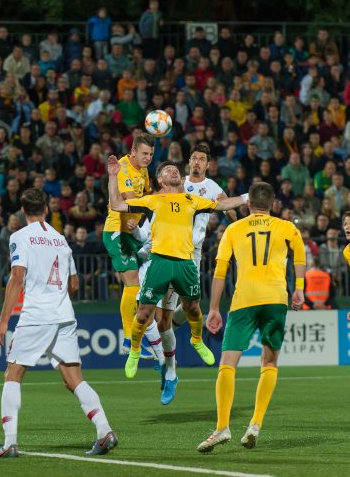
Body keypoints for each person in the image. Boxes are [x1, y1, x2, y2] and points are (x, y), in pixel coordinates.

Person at [0, 188, 117, 458]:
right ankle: (104, 431)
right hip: (65, 315)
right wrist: (58, 301)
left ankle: (10, 443)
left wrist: (2, 321)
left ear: (23, 211)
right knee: (73, 379)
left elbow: (16, 277)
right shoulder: (61, 240)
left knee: (13, 375)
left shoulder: (20, 237)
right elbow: (75, 284)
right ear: (46, 209)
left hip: (36, 315)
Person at [108, 158, 247, 380]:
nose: (173, 171)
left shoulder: (192, 199)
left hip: (185, 262)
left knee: (193, 309)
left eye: (175, 170)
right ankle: (134, 350)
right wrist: (113, 176)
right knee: (143, 313)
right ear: (160, 180)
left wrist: (251, 197)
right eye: (167, 170)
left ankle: (197, 340)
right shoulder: (152, 200)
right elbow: (116, 205)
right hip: (160, 262)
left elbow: (222, 205)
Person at [196, 182, 306, 453]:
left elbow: (220, 271)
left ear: (247, 205)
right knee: (269, 363)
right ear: (273, 204)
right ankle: (255, 423)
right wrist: (299, 289)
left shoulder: (234, 229)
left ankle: (222, 427)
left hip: (244, 300)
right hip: (276, 299)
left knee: (227, 364)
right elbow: (300, 255)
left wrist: (212, 309)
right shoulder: (286, 227)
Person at [172, 143, 237, 333]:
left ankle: (165, 331)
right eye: (194, 158)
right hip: (171, 247)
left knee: (192, 304)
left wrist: (231, 213)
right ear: (189, 162)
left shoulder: (212, 187)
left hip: (193, 252)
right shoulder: (179, 183)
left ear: (208, 164)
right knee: (164, 302)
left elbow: (228, 209)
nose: (197, 163)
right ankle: (160, 339)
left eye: (201, 159)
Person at [102, 132, 155, 357]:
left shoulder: (143, 170)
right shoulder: (123, 167)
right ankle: (128, 339)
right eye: (144, 153)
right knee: (132, 282)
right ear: (133, 151)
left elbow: (150, 195)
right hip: (117, 231)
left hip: (133, 233)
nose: (148, 158)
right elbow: (132, 198)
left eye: (151, 154)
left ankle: (139, 338)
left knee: (139, 286)